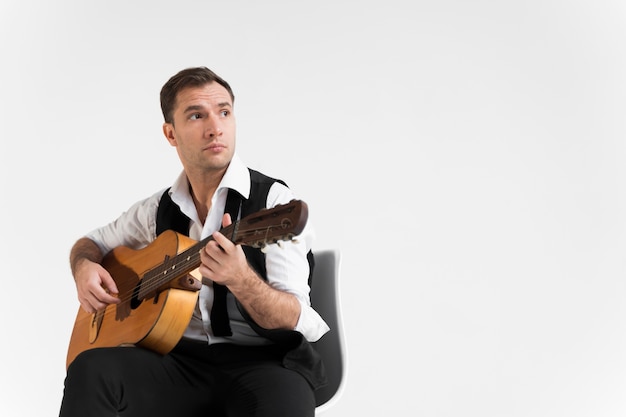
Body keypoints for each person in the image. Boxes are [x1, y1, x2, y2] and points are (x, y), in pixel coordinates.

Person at [59, 66, 329, 417]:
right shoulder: (158, 208)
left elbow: (297, 317)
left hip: (267, 364)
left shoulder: (274, 204)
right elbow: (91, 242)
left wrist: (240, 278)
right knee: (90, 368)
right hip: (177, 364)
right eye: (196, 115)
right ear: (171, 134)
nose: (215, 127)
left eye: (224, 112)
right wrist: (83, 266)